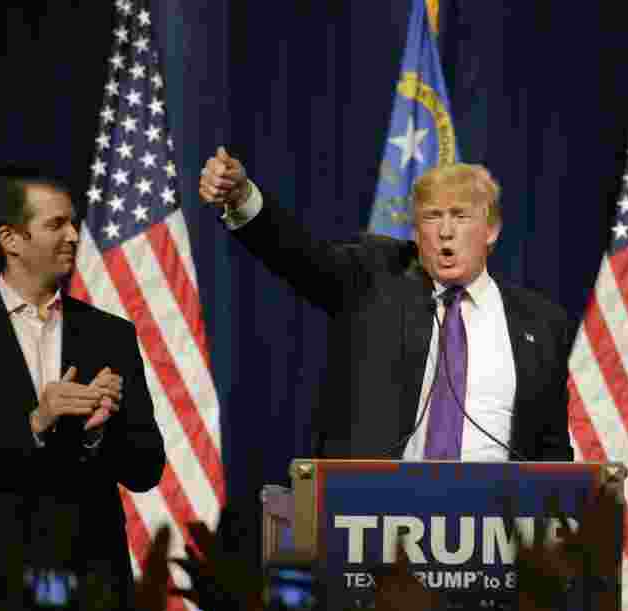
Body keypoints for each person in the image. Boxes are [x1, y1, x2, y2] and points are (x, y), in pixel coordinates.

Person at [198, 147, 573, 462]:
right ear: (415, 230)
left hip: (499, 531)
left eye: (460, 216)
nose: (445, 231)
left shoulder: (540, 323)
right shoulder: (374, 277)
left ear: (491, 229)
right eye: (432, 217)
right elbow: (299, 256)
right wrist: (242, 197)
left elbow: (553, 454)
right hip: (379, 526)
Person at [0, 167, 166, 611]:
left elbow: (147, 468)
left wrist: (98, 436)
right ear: (11, 239)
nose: (72, 235)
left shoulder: (111, 335)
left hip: (93, 601)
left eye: (74, 223)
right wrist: (34, 424)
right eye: (56, 224)